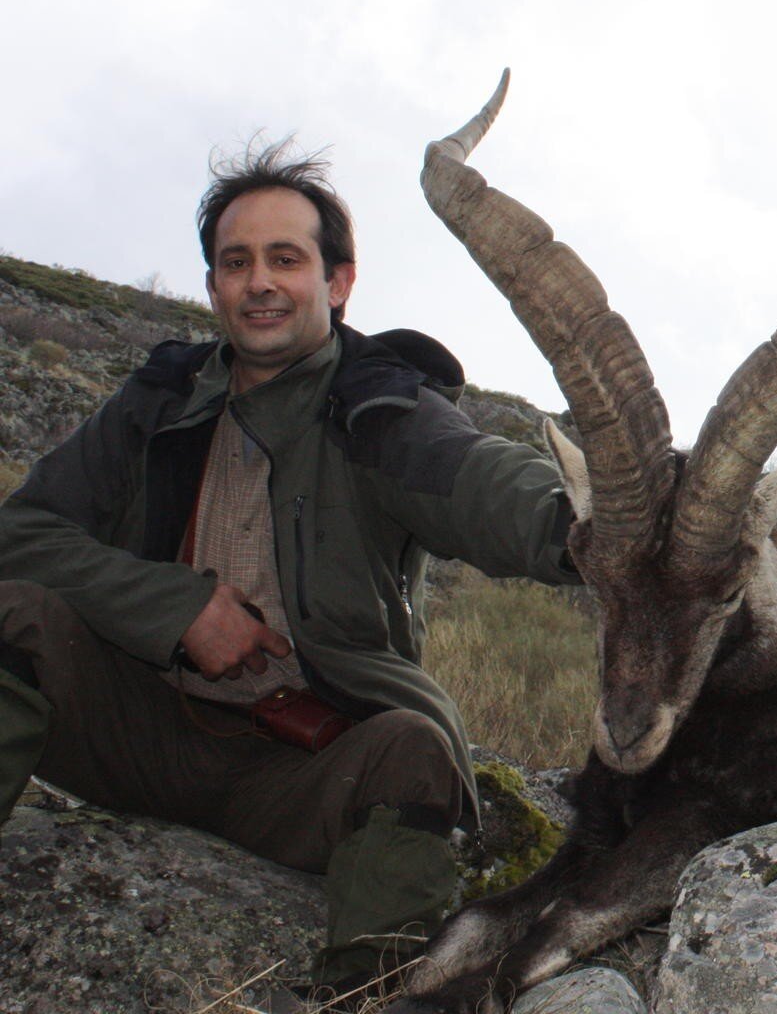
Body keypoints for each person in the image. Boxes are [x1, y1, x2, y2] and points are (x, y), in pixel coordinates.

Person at [0, 144, 579, 997]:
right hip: (137, 729)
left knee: (414, 750)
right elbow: (22, 535)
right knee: (15, 613)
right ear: (213, 288)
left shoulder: (382, 411)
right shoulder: (158, 401)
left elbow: (487, 486)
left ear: (338, 283)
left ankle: (362, 990)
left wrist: (591, 526)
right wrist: (177, 610)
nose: (259, 282)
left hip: (301, 775)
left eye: (286, 259)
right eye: (236, 263)